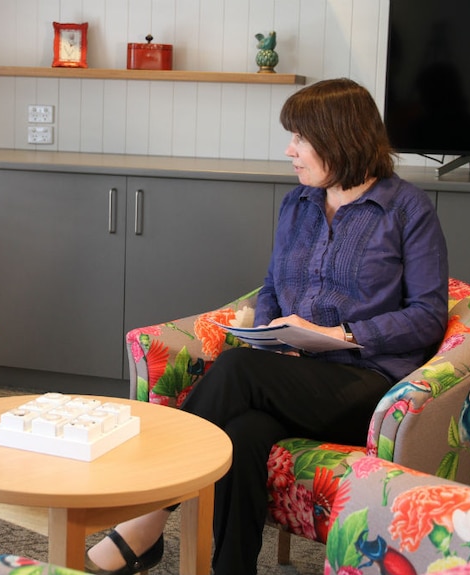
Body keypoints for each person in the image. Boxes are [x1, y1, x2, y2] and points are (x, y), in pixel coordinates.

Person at [85, 77, 449, 575]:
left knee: (238, 370)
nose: (289, 150)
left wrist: (337, 336)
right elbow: (273, 283)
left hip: (370, 385)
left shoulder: (407, 209)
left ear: (340, 137)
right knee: (243, 431)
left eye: (300, 138)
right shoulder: (298, 203)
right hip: (294, 374)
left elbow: (428, 317)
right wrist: (274, 330)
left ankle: (146, 517)